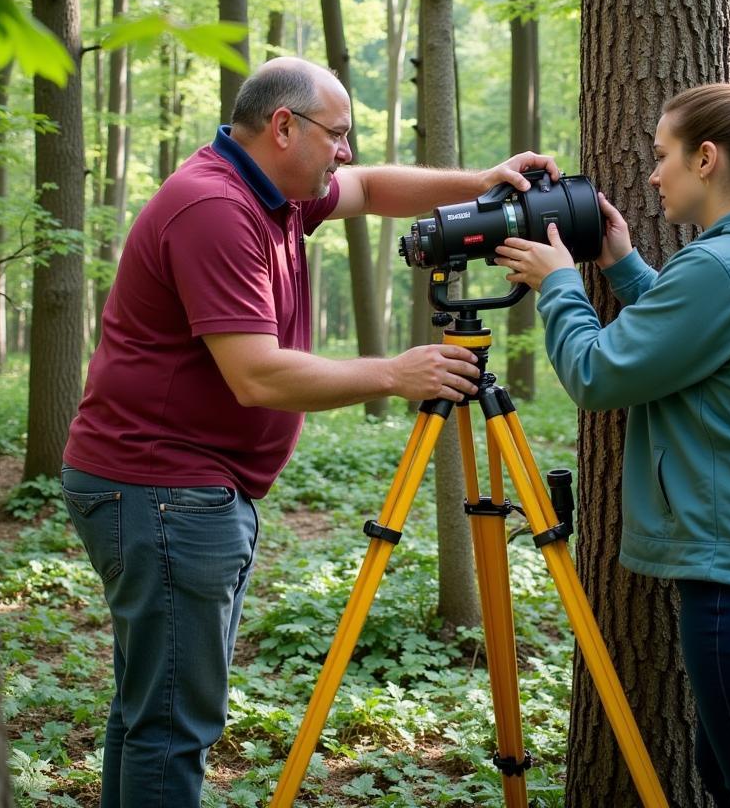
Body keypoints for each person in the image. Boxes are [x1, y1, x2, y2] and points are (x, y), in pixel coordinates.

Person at [60, 56, 560, 808]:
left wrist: (481, 183)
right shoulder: (214, 207)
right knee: (171, 724)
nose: (347, 151)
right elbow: (256, 375)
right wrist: (397, 373)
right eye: (339, 133)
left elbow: (369, 187)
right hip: (160, 488)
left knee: (151, 713)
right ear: (284, 127)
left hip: (169, 487)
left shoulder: (275, 191)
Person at [494, 82, 730, 808]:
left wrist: (560, 286)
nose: (653, 175)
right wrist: (625, 269)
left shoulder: (720, 267)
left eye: (662, 156)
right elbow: (707, 341)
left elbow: (599, 375)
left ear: (706, 158)